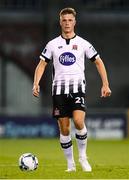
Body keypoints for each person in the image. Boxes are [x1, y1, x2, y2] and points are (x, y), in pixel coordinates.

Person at [32, 7, 111, 172]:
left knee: (79, 121)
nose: (67, 23)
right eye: (64, 20)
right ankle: (70, 163)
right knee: (64, 127)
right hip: (58, 90)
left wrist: (105, 84)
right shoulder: (52, 44)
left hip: (77, 88)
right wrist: (36, 83)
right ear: (60, 22)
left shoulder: (83, 43)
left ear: (75, 22)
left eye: (70, 20)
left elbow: (98, 61)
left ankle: (83, 157)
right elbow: (42, 64)